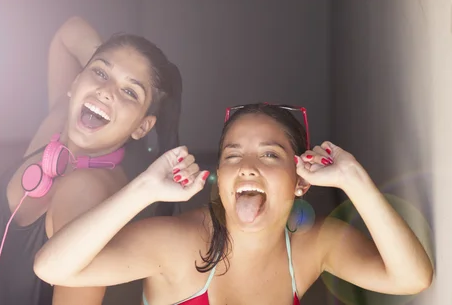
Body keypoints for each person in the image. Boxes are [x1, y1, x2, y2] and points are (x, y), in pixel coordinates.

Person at [33, 103, 433, 305]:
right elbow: (51, 267)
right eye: (233, 155)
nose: (247, 167)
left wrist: (355, 180)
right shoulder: (179, 244)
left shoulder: (315, 244)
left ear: (301, 182)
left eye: (271, 155)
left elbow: (411, 278)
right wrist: (143, 191)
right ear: (220, 176)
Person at [0, 16, 182, 305]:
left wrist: (100, 69)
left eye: (130, 92)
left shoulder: (87, 192)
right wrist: (102, 59)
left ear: (142, 127)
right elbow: (69, 33)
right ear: (75, 81)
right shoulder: (54, 129)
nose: (106, 92)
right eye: (101, 74)